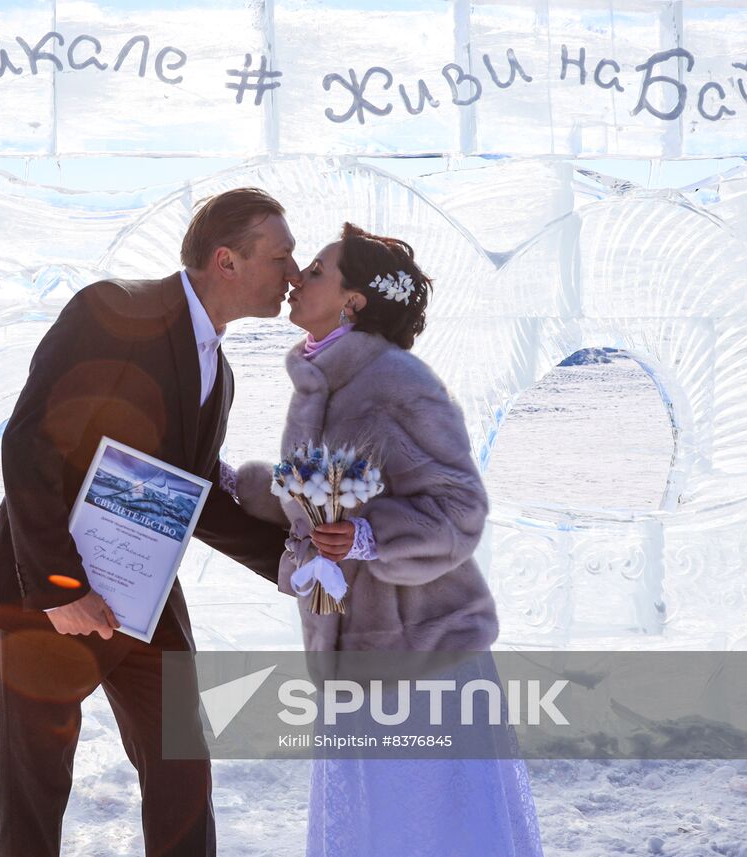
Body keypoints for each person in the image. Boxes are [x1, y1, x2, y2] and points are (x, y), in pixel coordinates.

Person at [0, 188, 300, 857]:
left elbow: (192, 496)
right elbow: (29, 442)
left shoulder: (221, 374)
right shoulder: (113, 309)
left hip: (144, 599)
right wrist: (60, 587)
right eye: (282, 255)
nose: (293, 273)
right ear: (226, 260)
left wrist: (294, 561)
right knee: (35, 790)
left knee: (183, 762)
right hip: (47, 595)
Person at [233, 223, 544, 856]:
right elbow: (315, 496)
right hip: (352, 652)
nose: (296, 277)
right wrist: (234, 483)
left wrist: (372, 539)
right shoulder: (320, 383)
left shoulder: (401, 381)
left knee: (428, 826)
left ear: (354, 301)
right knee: (374, 826)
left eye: (315, 271)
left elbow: (461, 508)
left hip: (423, 654)